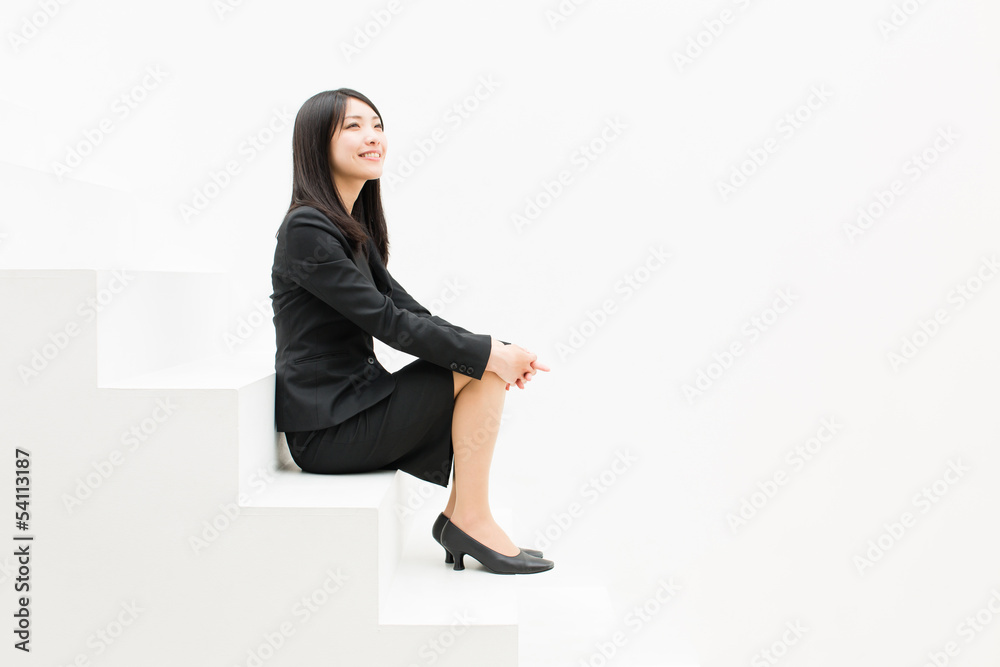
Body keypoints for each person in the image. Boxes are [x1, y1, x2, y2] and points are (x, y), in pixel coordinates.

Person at [270, 88, 553, 575]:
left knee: (482, 365)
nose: (372, 136)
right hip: (327, 431)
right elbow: (389, 325)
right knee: (479, 366)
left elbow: (408, 310)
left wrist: (495, 349)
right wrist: (487, 355)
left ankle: (466, 515)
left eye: (377, 125)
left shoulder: (348, 226)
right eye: (353, 126)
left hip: (356, 405)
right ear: (318, 143)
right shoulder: (307, 230)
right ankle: (469, 518)